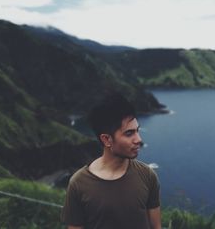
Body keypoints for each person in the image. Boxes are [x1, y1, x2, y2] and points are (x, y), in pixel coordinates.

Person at [62, 93, 161, 229]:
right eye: (129, 133)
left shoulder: (148, 176)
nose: (139, 139)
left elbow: (156, 227)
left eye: (137, 131)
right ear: (106, 140)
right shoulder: (78, 184)